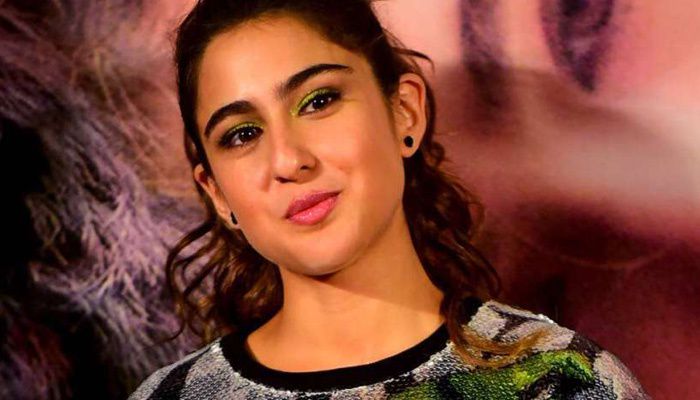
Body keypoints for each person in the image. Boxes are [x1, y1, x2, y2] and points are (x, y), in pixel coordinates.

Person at [129, 0, 649, 398]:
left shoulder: (565, 382)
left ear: (405, 111)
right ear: (217, 192)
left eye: (319, 101)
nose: (288, 160)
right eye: (242, 134)